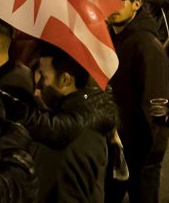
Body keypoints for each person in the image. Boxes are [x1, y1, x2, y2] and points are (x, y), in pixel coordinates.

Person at [23, 43, 117, 203]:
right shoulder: (69, 116)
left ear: (65, 79)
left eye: (44, 77)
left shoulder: (76, 135)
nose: (38, 87)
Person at [105, 0, 169, 203]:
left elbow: (154, 105)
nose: (111, 4)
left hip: (140, 152)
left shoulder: (146, 45)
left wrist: (143, 153)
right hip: (114, 145)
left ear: (136, 4)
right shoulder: (110, 39)